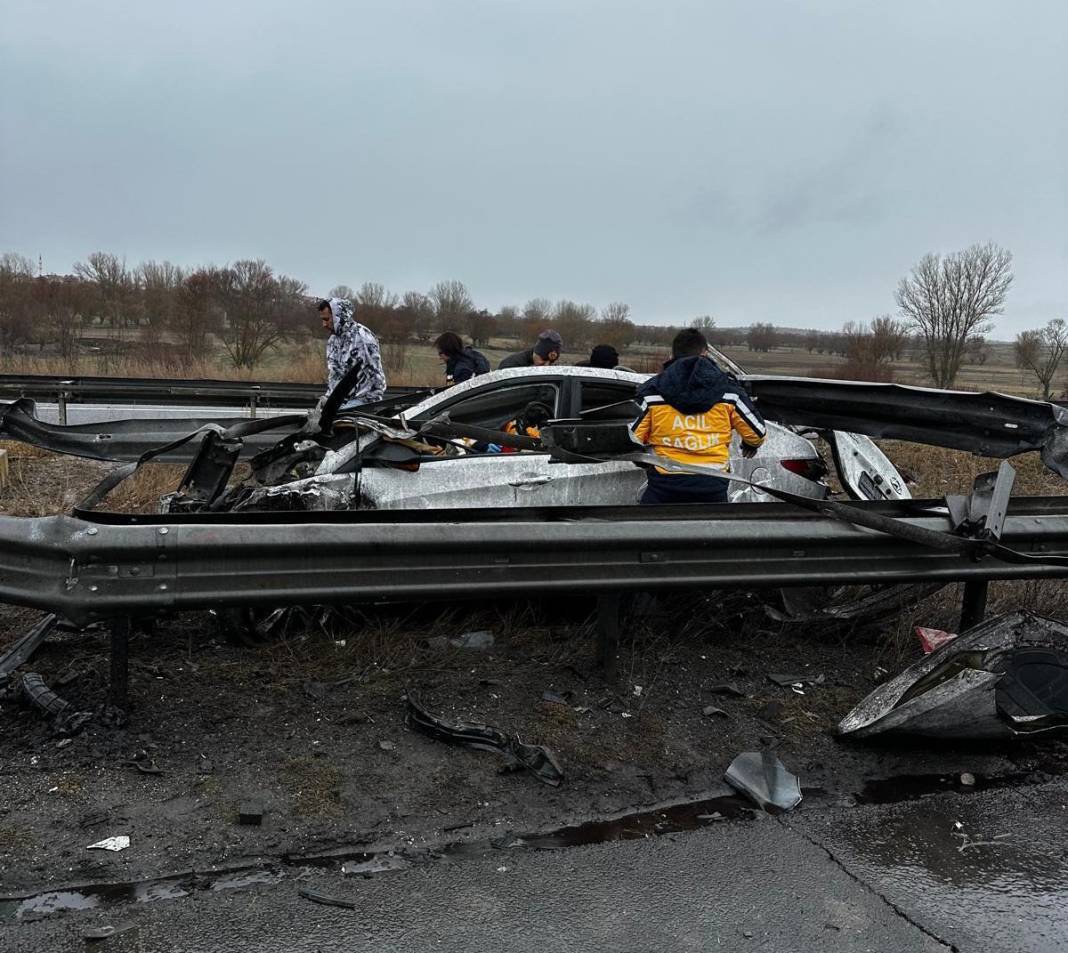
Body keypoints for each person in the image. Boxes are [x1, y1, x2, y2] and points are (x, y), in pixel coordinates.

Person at [632, 328, 765, 504]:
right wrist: (749, 444)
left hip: (664, 487)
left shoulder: (652, 391)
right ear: (705, 353)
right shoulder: (728, 391)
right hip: (712, 485)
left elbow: (631, 438)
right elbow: (758, 434)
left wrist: (644, 460)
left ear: (672, 354)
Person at [318, 297, 386, 409]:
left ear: (339, 316)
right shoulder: (333, 340)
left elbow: (375, 378)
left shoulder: (362, 337)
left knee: (333, 420)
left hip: (364, 400)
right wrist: (329, 397)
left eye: (326, 319)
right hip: (342, 401)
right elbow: (335, 375)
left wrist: (370, 401)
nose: (324, 324)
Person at [498, 329, 563, 369]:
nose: (546, 366)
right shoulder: (511, 365)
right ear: (536, 352)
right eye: (542, 363)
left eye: (551, 363)